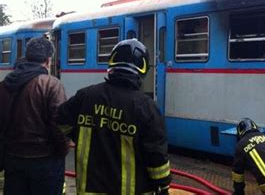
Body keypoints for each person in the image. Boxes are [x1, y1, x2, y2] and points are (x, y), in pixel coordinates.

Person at [57, 39, 171, 194]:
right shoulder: (146, 107)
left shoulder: (85, 96)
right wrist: (163, 186)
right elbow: (156, 158)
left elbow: (60, 123)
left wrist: (81, 133)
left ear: (111, 64)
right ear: (143, 70)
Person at [0, 37, 69, 195]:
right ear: (48, 59)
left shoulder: (5, 84)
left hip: (12, 158)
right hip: (44, 160)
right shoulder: (51, 84)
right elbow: (59, 125)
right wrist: (63, 150)